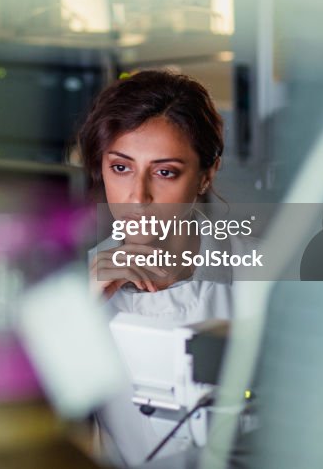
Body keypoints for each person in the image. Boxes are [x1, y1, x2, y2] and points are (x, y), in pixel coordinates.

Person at [76, 70, 237, 466]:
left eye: (165, 172)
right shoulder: (75, 286)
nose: (138, 196)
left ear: (206, 174)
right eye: (121, 168)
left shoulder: (268, 277)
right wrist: (79, 307)